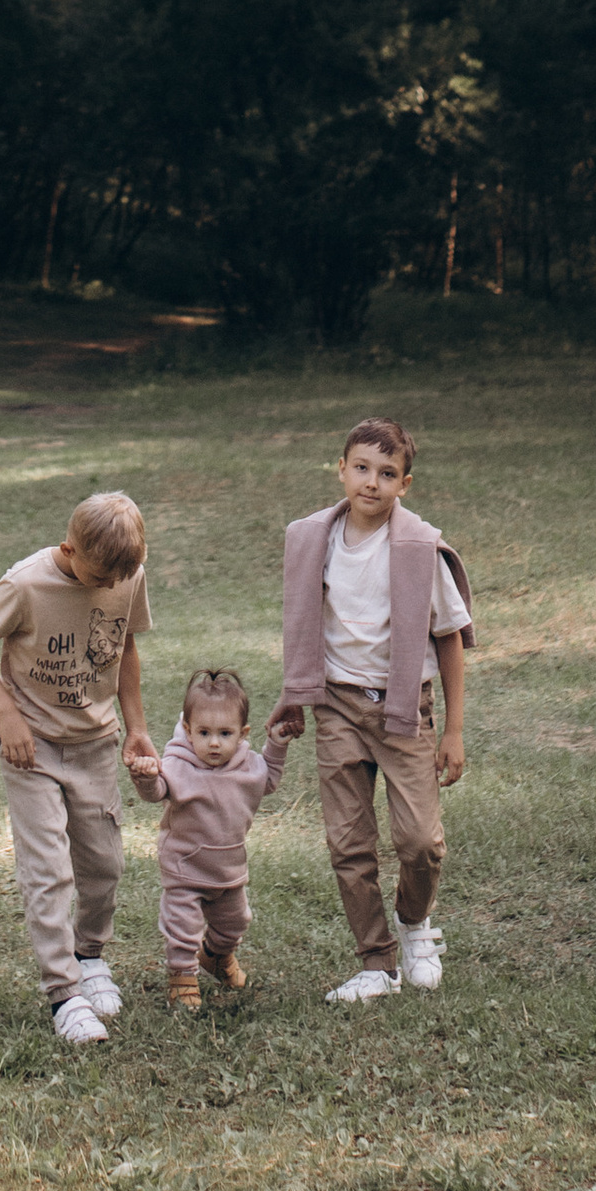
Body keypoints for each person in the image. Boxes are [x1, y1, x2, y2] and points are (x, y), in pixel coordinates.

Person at [271, 415, 472, 1003]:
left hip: (402, 709)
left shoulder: (417, 549)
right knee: (349, 843)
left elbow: (450, 637)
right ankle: (376, 962)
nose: (371, 483)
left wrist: (453, 731)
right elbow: (306, 623)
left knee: (420, 842)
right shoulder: (315, 539)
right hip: (337, 705)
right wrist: (298, 697)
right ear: (341, 470)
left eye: (387, 474)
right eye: (361, 468)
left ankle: (414, 926)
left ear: (404, 484)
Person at [0, 492, 157, 1046]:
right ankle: (64, 995)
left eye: (118, 577)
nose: (105, 587)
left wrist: (136, 726)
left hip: (96, 743)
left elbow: (126, 648)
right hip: (33, 749)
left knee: (104, 864)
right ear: (69, 549)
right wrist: (7, 715)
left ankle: (89, 955)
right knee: (49, 871)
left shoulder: (126, 574)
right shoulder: (26, 584)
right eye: (96, 575)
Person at [126, 665, 293, 1011]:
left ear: (243, 733)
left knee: (235, 922)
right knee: (183, 927)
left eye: (225, 733)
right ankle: (182, 977)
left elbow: (271, 779)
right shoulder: (178, 765)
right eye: (203, 732)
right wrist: (146, 776)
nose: (214, 742)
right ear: (187, 731)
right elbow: (157, 792)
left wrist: (277, 743)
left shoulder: (248, 767)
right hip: (185, 867)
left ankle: (216, 957)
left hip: (228, 870)